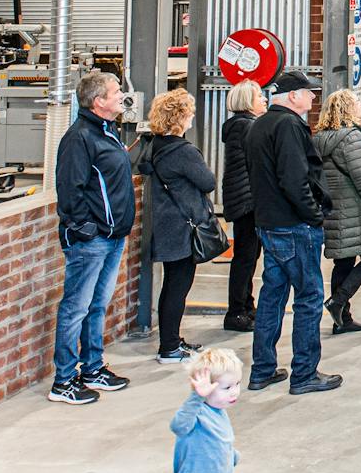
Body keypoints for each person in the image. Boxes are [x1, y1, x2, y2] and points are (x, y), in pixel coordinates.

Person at [244, 70, 341, 395]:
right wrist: (314, 216)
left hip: (269, 224)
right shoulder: (288, 126)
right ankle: (304, 373)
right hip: (293, 226)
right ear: (293, 95)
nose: (313, 98)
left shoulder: (259, 125)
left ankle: (262, 369)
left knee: (272, 297)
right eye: (309, 93)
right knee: (309, 297)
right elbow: (295, 179)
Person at [49, 68, 136, 405]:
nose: (121, 97)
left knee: (97, 306)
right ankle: (64, 380)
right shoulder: (80, 138)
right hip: (92, 240)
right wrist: (86, 227)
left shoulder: (107, 131)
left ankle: (93, 367)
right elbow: (70, 190)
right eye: (116, 92)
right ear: (99, 101)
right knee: (76, 308)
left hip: (112, 237)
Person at [136, 88, 219, 364]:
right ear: (180, 117)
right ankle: (169, 347)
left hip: (165, 224)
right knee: (178, 287)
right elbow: (208, 182)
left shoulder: (154, 146)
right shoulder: (183, 151)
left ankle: (171, 341)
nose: (192, 119)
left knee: (171, 285)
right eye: (190, 114)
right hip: (184, 227)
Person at [312, 88, 361, 337]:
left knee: (343, 262)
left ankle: (342, 319)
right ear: (347, 110)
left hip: (336, 210)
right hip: (358, 210)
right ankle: (338, 301)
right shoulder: (352, 139)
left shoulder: (321, 138)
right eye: (356, 104)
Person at [219, 80, 264, 333]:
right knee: (245, 258)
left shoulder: (242, 126)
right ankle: (237, 311)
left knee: (249, 256)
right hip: (246, 200)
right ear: (247, 101)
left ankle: (246, 305)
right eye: (259, 95)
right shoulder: (245, 127)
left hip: (244, 198)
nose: (264, 99)